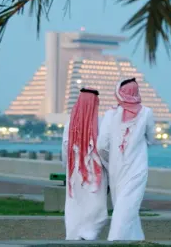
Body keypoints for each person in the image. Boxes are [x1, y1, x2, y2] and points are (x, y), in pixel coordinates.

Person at [97, 77, 156, 241]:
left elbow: (102, 145)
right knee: (127, 207)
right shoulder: (146, 113)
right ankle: (124, 240)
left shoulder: (110, 114)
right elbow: (151, 138)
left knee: (125, 207)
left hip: (116, 169)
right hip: (137, 167)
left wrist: (109, 162)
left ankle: (123, 240)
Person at [61, 87, 108, 240]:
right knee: (97, 209)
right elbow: (103, 150)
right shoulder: (101, 123)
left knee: (76, 206)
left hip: (74, 173)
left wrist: (67, 168)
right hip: (94, 173)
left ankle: (78, 236)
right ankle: (85, 236)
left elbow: (64, 150)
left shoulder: (70, 123)